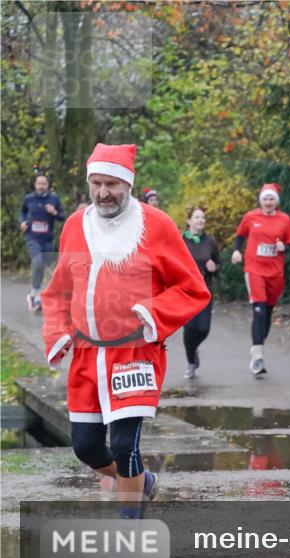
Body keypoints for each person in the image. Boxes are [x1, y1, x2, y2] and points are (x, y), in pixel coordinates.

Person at [41, 143, 210, 517]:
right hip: (87, 355)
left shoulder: (157, 225)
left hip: (135, 355)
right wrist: (57, 332)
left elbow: (193, 289)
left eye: (112, 184)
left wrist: (153, 313)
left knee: (124, 444)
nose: (103, 193)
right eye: (97, 184)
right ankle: (142, 484)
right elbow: (57, 291)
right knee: (85, 446)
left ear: (129, 185)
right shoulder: (75, 226)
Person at [231, 183, 290, 376]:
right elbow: (240, 236)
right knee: (258, 310)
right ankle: (257, 356)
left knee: (267, 313)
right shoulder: (251, 217)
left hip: (275, 272)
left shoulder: (285, 219)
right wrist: (236, 251)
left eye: (271, 199)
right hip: (254, 269)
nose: (268, 202)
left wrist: (284, 247)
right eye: (265, 199)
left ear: (276, 202)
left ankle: (257, 347)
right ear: (261, 200)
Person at [181, 206, 221, 379]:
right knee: (190, 327)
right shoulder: (179, 240)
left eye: (202, 217)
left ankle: (193, 348)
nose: (200, 220)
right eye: (197, 217)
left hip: (205, 291)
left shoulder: (210, 242)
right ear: (189, 221)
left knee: (203, 329)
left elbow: (219, 264)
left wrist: (214, 267)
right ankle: (191, 362)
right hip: (184, 291)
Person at [19, 173, 65, 312]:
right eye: (39, 183)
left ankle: (35, 295)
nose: (41, 186)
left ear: (47, 185)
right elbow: (22, 212)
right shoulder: (29, 199)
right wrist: (22, 222)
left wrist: (54, 212)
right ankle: (36, 294)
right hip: (33, 237)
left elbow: (62, 217)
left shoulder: (54, 199)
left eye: (43, 183)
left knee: (46, 267)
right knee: (37, 262)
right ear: (35, 185)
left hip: (47, 239)